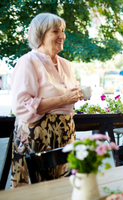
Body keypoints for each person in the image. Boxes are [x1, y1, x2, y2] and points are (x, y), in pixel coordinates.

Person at [11, 13, 82, 188]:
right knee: (37, 192)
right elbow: (20, 106)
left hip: (65, 132)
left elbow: (66, 97)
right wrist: (63, 99)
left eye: (63, 31)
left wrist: (75, 95)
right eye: (55, 31)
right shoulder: (27, 61)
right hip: (38, 134)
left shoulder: (65, 64)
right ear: (40, 35)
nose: (62, 36)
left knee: (66, 188)